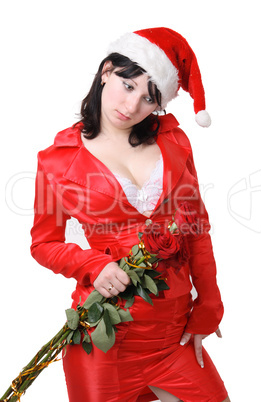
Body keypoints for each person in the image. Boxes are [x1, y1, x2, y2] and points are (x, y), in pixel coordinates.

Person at [30, 27, 230, 402]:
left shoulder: (174, 142)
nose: (132, 105)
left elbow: (197, 230)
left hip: (172, 335)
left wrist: (209, 303)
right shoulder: (57, 161)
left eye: (149, 99)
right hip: (104, 336)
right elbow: (44, 243)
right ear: (107, 71)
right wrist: (92, 264)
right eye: (128, 85)